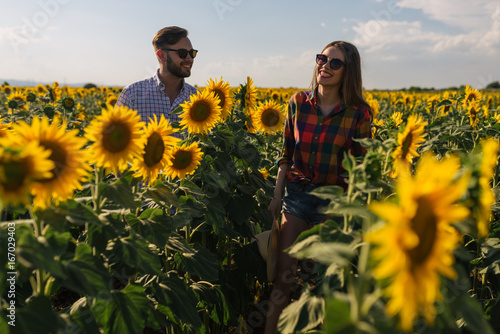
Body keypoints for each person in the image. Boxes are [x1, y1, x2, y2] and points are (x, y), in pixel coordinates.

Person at [264, 41, 372, 334]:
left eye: (334, 63)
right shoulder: (298, 102)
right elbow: (286, 153)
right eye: (322, 59)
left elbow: (359, 169)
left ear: (348, 71)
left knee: (322, 281)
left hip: (332, 203)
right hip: (297, 198)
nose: (324, 66)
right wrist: (277, 196)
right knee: (283, 277)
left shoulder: (359, 114)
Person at [116, 26, 199, 137]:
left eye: (192, 53)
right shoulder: (132, 95)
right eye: (182, 53)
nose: (189, 59)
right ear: (161, 55)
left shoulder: (198, 98)